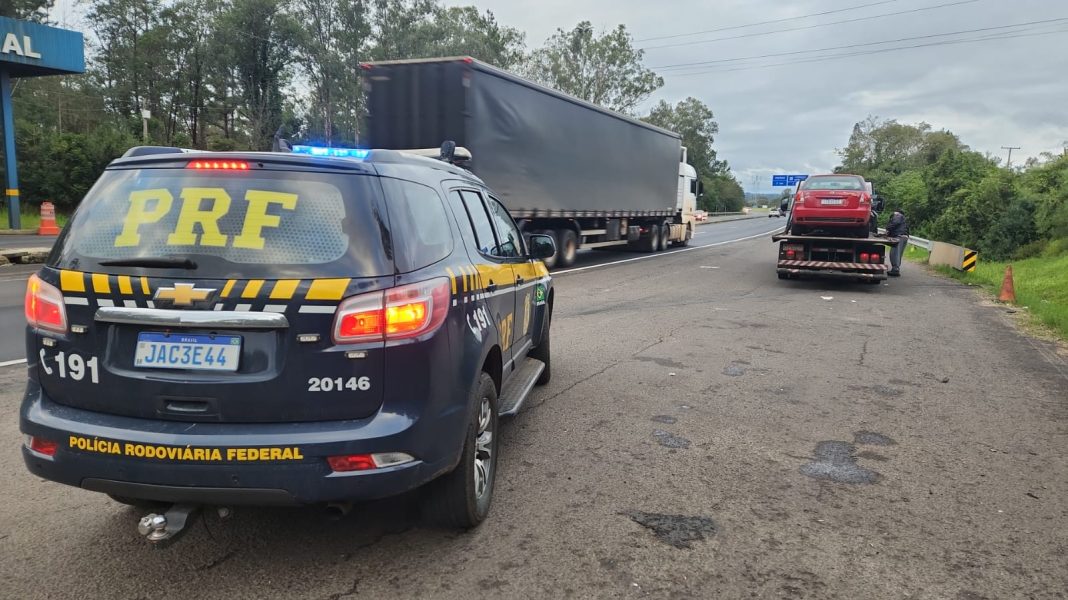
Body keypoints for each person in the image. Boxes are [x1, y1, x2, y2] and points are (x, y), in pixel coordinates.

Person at [885, 208, 909, 277]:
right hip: (904, 237)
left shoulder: (898, 216)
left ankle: (895, 270)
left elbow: (895, 223)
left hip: (899, 237)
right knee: (899, 254)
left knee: (894, 253)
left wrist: (887, 228)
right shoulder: (903, 219)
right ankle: (896, 268)